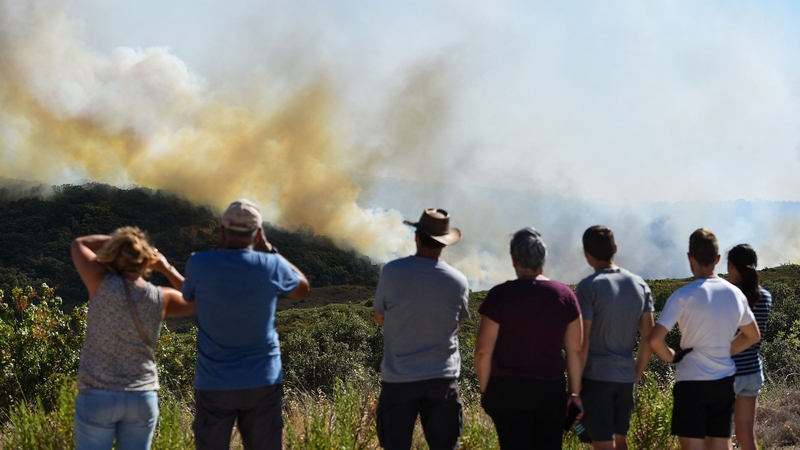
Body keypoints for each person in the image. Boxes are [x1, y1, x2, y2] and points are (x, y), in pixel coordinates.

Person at [182, 199, 310, 450]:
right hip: (262, 380)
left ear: (222, 230)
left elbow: (188, 299)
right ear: (258, 233)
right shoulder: (271, 265)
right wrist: (270, 250)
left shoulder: (198, 263)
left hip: (213, 382)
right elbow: (302, 288)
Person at [71, 227, 195, 450]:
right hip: (141, 395)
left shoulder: (99, 282)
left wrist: (121, 242)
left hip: (98, 394)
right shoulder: (161, 297)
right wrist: (166, 267)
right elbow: (196, 299)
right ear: (145, 260)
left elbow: (80, 243)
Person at [649, 228, 761, 450]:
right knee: (721, 444)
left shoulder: (682, 296)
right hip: (723, 381)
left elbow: (654, 340)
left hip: (690, 382)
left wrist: (672, 357)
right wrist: (723, 350)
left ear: (690, 258)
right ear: (718, 259)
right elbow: (752, 335)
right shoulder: (735, 294)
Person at [475, 227, 584, 449]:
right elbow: (575, 350)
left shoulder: (500, 296)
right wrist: (574, 393)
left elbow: (483, 351)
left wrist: (487, 391)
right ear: (543, 259)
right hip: (550, 391)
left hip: (507, 391)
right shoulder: (565, 296)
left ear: (514, 260)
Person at [373, 208, 470, 450]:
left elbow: (379, 317)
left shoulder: (392, 272)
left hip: (399, 378)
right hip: (442, 378)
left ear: (416, 236)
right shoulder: (458, 281)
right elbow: (457, 324)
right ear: (444, 244)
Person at [576, 226, 655, 450]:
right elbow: (649, 337)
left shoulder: (588, 287)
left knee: (602, 443)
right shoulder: (639, 285)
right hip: (625, 378)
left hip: (596, 378)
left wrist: (575, 383)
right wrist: (635, 375)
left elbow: (583, 341)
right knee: (621, 442)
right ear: (615, 249)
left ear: (586, 253)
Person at [727, 244, 772, 450]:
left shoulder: (729, 296)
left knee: (720, 435)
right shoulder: (765, 296)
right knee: (747, 435)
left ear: (732, 266)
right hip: (753, 370)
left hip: (728, 373)